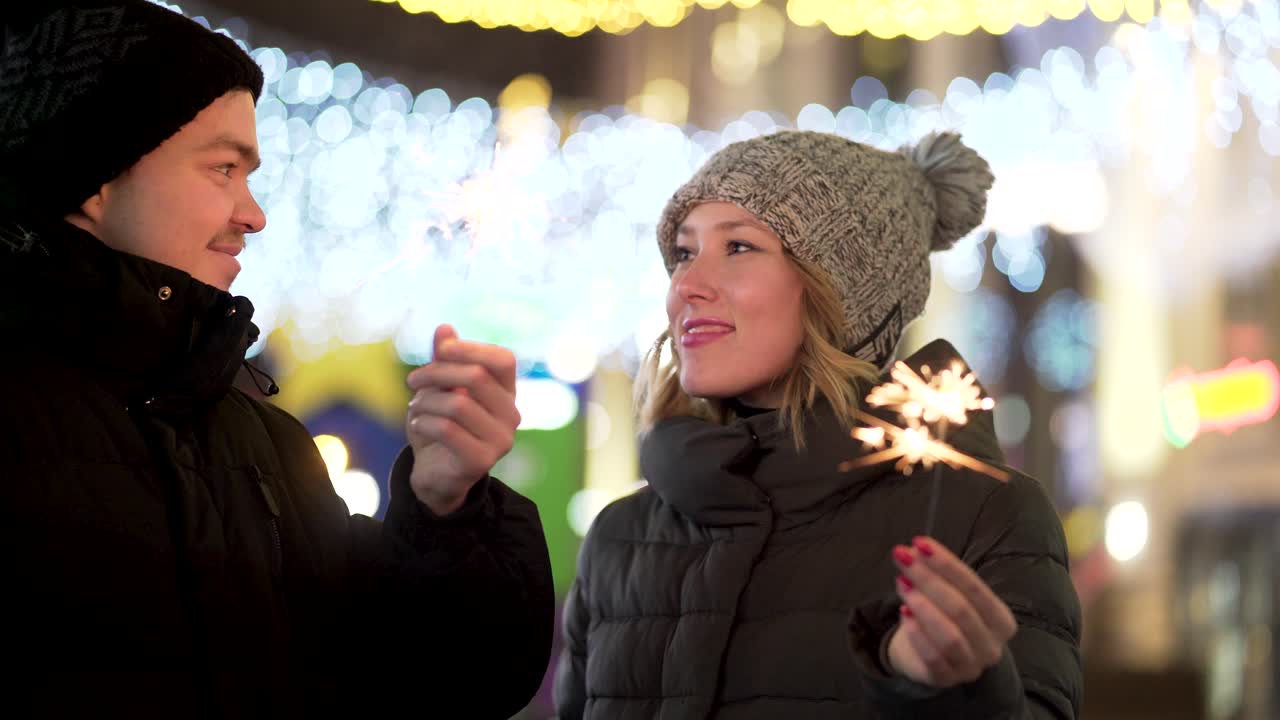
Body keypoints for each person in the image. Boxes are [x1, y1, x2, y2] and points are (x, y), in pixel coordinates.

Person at [0, 2, 553, 716]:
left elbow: (421, 679)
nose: (253, 213)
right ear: (96, 176)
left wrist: (446, 506)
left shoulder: (265, 443)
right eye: (223, 169)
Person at [554, 130, 1082, 719]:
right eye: (683, 252)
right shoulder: (620, 538)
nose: (686, 286)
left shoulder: (986, 515)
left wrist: (956, 694)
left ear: (842, 285)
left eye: (738, 248)